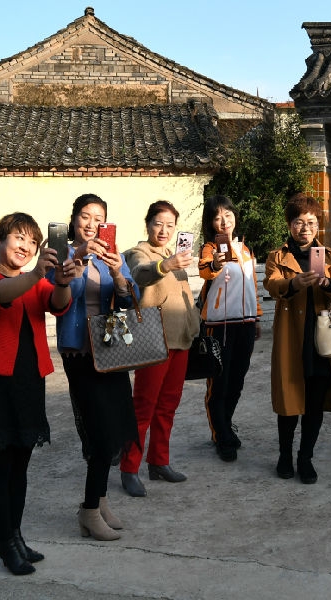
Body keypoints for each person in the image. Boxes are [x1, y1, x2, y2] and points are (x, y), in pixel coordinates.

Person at [0, 212, 79, 575]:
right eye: (18, 238)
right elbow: (0, 294)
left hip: (28, 383)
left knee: (19, 467)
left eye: (32, 241)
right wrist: (35, 275)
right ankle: (5, 542)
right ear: (0, 239)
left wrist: (61, 281)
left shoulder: (34, 281)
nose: (25, 246)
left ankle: (15, 536)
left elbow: (58, 304)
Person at [47, 194, 140, 540]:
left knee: (116, 428)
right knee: (99, 432)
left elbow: (130, 300)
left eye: (99, 219)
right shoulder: (61, 253)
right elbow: (56, 295)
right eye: (85, 216)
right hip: (79, 353)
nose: (91, 224)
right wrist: (80, 258)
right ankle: (88, 511)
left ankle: (100, 501)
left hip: (112, 348)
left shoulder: (113, 256)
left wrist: (117, 274)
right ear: (74, 219)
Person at [263, 193, 331, 484]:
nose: (305, 228)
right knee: (289, 400)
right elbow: (272, 284)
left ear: (318, 225)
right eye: (299, 222)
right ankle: (284, 455)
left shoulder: (329, 256)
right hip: (291, 339)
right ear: (289, 224)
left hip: (322, 340)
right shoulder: (277, 257)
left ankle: (305, 458)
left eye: (311, 222)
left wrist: (328, 282)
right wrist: (293, 282)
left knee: (314, 403)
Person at [119, 200, 199, 496]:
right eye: (158, 223)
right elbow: (140, 274)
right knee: (143, 407)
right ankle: (129, 468)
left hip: (181, 339)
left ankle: (159, 462)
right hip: (153, 340)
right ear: (148, 224)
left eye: (170, 225)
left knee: (168, 406)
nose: (164, 230)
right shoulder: (139, 253)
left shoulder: (173, 255)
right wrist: (165, 265)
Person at [197, 195, 262, 462]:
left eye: (228, 214)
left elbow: (252, 286)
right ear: (211, 223)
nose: (224, 221)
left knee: (237, 380)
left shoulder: (245, 248)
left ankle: (225, 424)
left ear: (235, 216)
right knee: (219, 382)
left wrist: (257, 317)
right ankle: (221, 435)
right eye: (217, 217)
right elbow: (205, 271)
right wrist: (216, 263)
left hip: (245, 323)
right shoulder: (210, 248)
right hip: (219, 324)